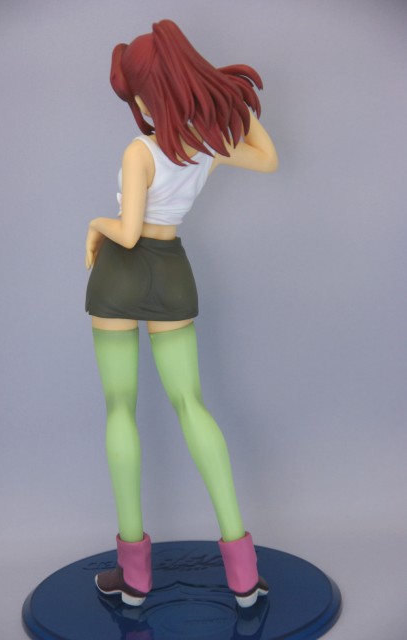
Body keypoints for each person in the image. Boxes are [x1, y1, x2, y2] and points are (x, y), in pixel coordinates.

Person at [85, 19, 278, 608]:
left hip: (121, 272)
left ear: (149, 96)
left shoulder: (139, 151)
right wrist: (223, 99)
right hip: (171, 270)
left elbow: (127, 232)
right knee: (192, 404)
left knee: (120, 408)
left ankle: (135, 577)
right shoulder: (207, 146)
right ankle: (243, 574)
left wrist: (94, 224)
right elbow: (268, 158)